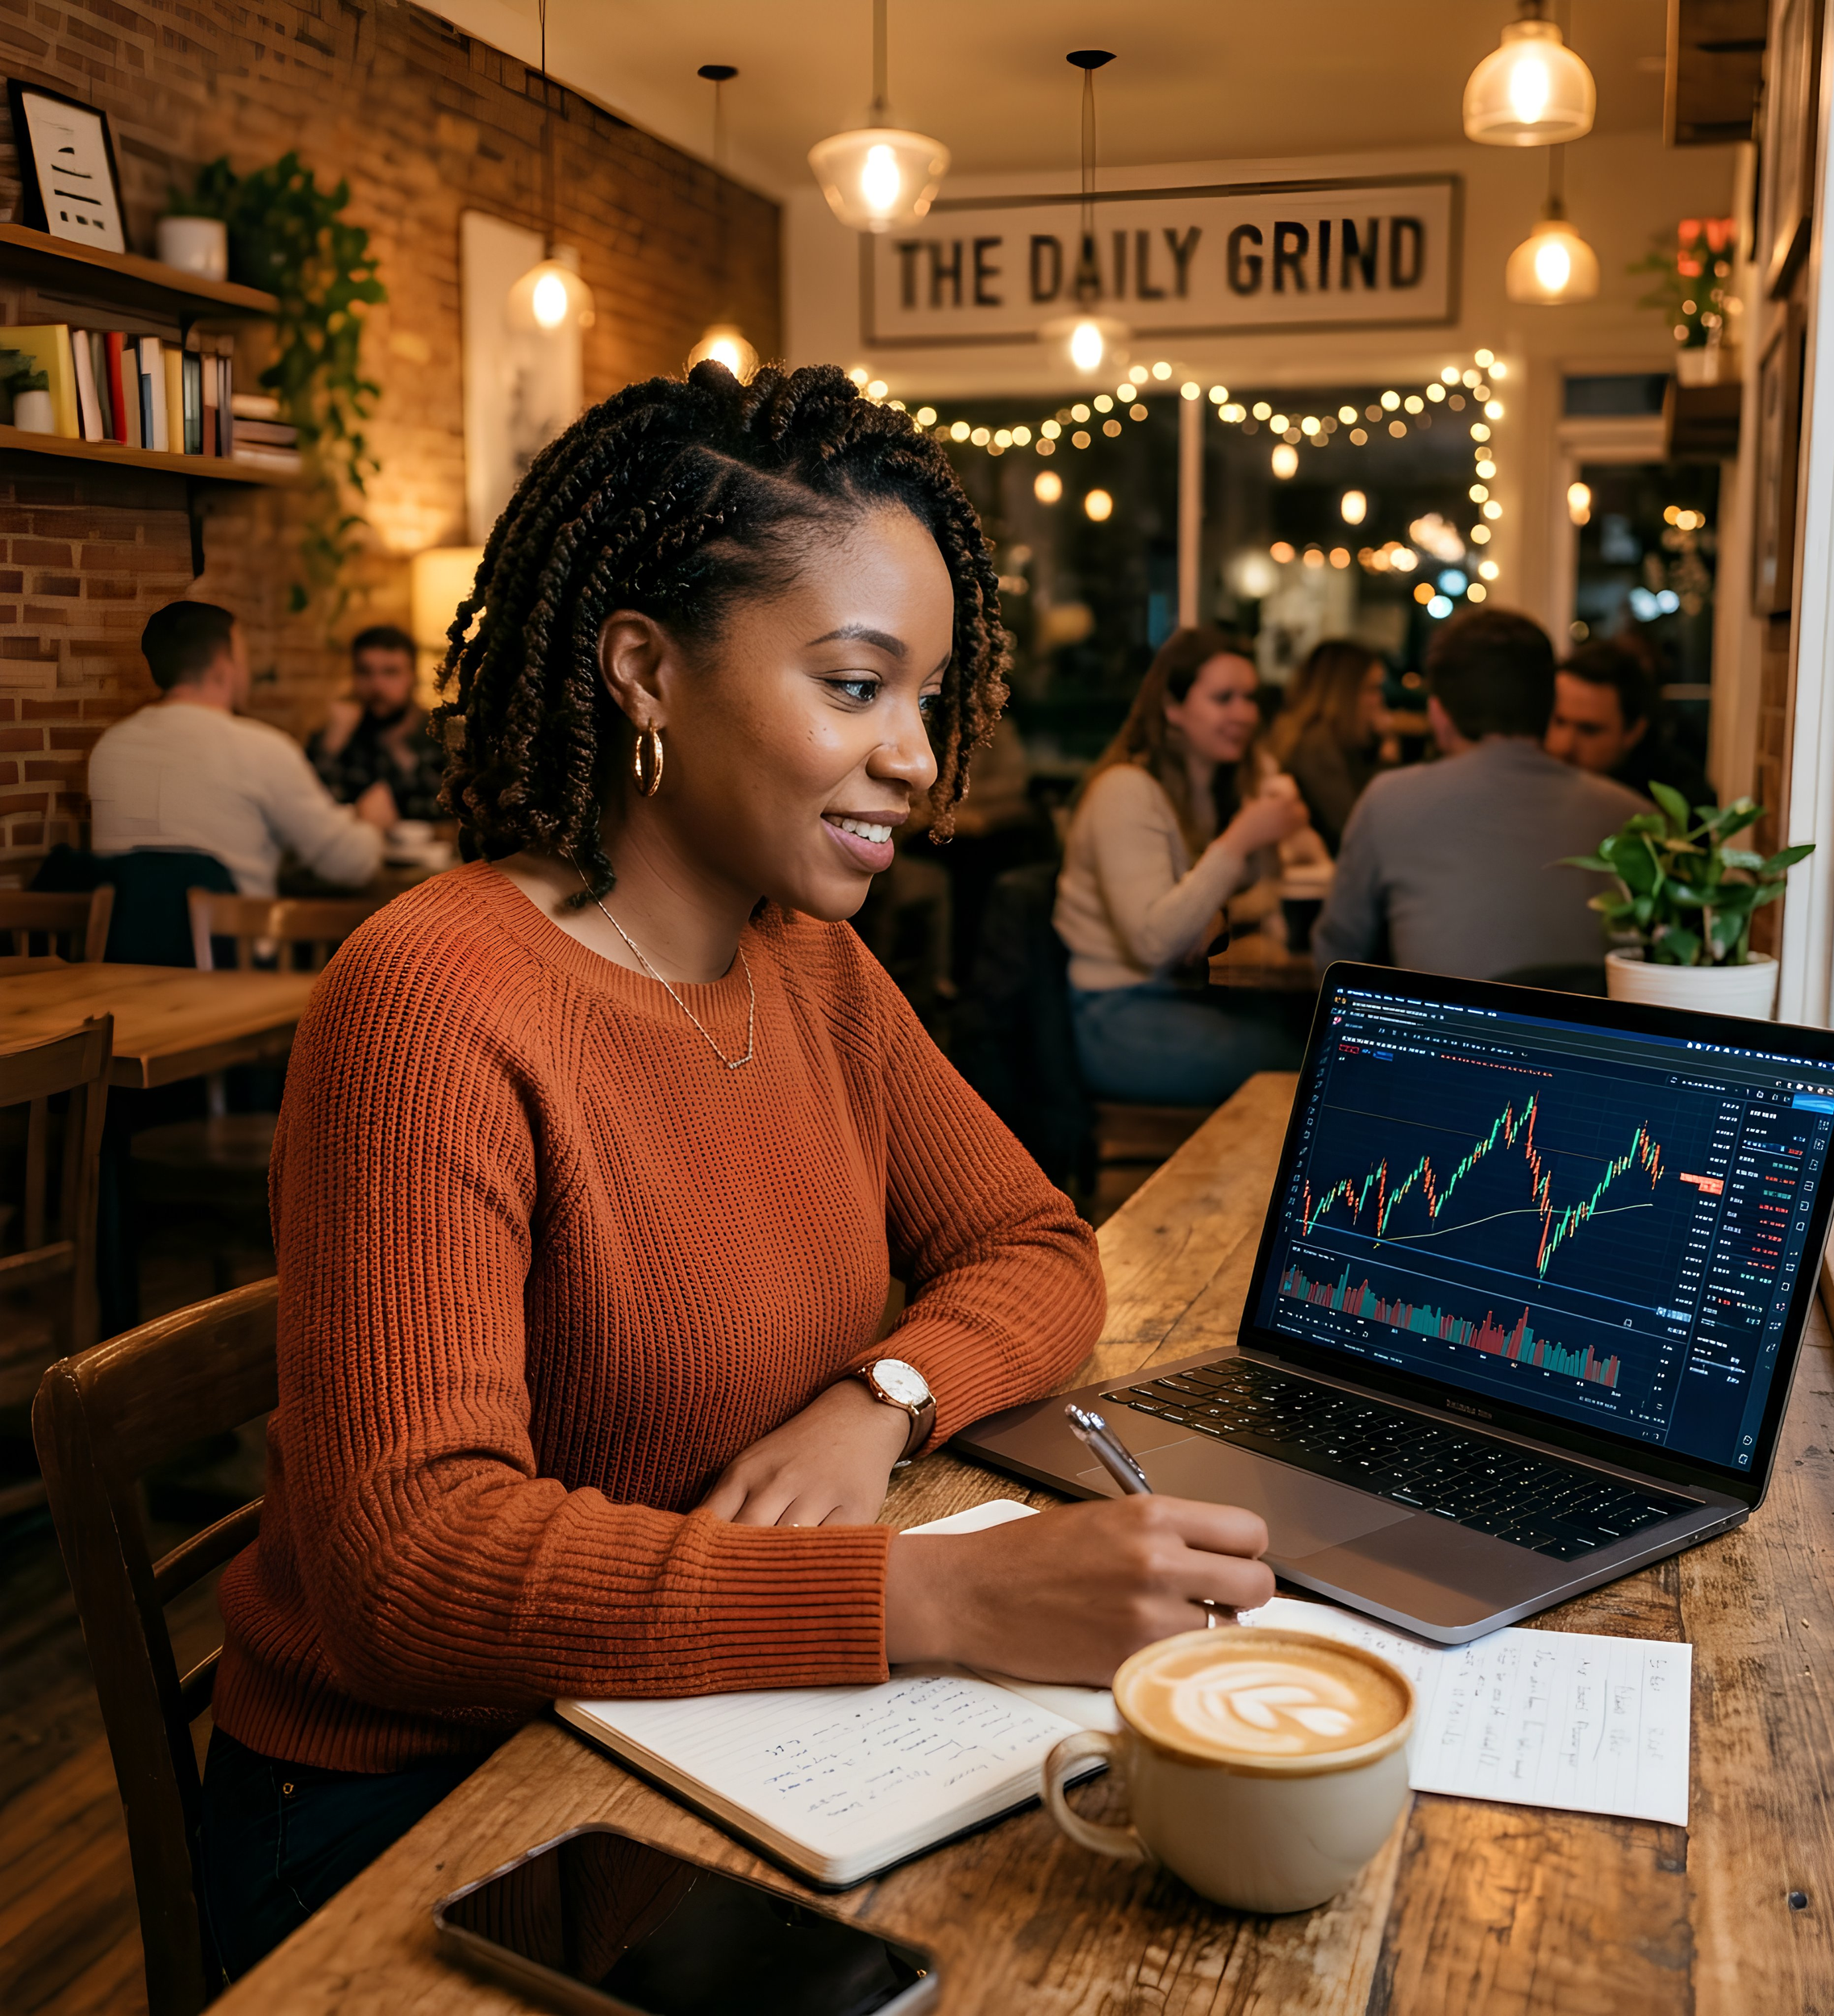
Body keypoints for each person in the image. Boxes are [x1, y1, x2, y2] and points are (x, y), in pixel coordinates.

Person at [197, 366, 1275, 1978]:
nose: (915, 757)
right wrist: (941, 1598)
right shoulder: (433, 994)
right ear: (643, 667)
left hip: (704, 1710)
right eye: (854, 686)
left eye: (923, 695)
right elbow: (405, 1572)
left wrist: (884, 1395)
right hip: (418, 1801)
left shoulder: (809, 967)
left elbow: (1033, 1243)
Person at [1053, 627, 1323, 1105]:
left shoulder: (1206, 789)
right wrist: (1241, 839)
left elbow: (1267, 890)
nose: (1244, 713)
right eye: (1224, 698)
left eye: (1250, 698)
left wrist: (1264, 808)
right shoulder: (1126, 791)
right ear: (1173, 708)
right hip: (1118, 1019)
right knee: (1307, 1062)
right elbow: (1156, 943)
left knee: (1313, 1034)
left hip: (1174, 999)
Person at [1311, 609, 1649, 979]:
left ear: (1438, 715)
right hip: (1593, 1039)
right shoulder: (1638, 818)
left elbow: (1337, 958)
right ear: (1549, 708)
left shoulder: (1388, 801)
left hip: (1445, 1036)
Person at [89, 600, 392, 898]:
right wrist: (371, 824)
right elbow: (348, 864)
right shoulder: (261, 749)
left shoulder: (111, 747)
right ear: (222, 667)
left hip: (121, 944)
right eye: (244, 657)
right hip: (231, 945)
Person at [1545, 639, 1715, 812]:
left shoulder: (1679, 797)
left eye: (1589, 730)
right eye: (1559, 721)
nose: (1564, 746)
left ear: (1634, 731)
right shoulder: (1535, 771)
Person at [306, 623, 449, 823]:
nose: (377, 685)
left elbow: (451, 810)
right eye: (365, 672)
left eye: (390, 672)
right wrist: (332, 745)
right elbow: (307, 811)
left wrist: (403, 754)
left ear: (412, 677)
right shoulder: (339, 737)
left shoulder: (439, 736)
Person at [1269, 638, 1393, 852]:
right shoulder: (1316, 746)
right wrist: (1386, 756)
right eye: (1371, 689)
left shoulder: (1338, 743)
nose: (1379, 699)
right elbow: (1355, 828)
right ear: (1345, 692)